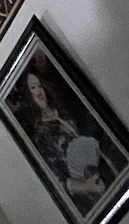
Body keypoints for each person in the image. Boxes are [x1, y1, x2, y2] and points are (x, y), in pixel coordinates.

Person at [22, 69, 113, 208]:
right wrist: (84, 187)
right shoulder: (41, 135)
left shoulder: (64, 108)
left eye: (40, 86)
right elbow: (57, 179)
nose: (39, 92)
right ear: (28, 95)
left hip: (107, 166)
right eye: (33, 88)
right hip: (90, 190)